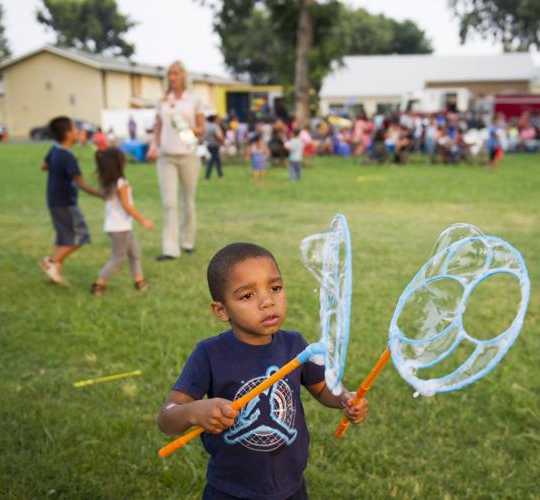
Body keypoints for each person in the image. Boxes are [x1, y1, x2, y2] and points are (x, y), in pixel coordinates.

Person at [157, 243, 368, 500]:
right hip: (229, 490)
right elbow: (166, 419)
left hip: (291, 487)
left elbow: (323, 389)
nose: (267, 302)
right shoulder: (209, 354)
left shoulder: (296, 345)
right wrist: (193, 412)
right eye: (247, 296)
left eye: (275, 288)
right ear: (221, 310)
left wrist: (345, 398)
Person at [147, 61, 205, 261]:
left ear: (183, 76)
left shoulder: (194, 99)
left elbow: (201, 129)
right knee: (169, 203)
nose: (172, 77)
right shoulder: (163, 100)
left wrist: (185, 126)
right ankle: (170, 249)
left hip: (188, 154)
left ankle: (187, 241)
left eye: (176, 73)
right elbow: (158, 125)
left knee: (187, 201)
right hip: (166, 156)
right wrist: (153, 145)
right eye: (170, 73)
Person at [38, 116, 102, 284]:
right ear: (67, 134)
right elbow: (81, 184)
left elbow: (43, 166)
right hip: (66, 202)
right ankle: (50, 262)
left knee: (63, 238)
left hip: (54, 200)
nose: (78, 132)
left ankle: (54, 274)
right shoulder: (67, 157)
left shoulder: (55, 149)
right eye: (74, 129)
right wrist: (101, 195)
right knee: (81, 236)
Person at [91, 147, 155, 296]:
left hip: (119, 226)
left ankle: (140, 282)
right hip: (120, 228)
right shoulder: (120, 183)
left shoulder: (109, 182)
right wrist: (144, 220)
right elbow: (127, 206)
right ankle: (99, 284)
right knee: (118, 259)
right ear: (119, 164)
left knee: (135, 253)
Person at [204, 115, 224, 180]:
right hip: (215, 145)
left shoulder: (207, 126)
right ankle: (208, 176)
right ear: (214, 119)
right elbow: (219, 136)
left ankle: (220, 175)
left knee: (216, 160)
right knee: (212, 161)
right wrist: (222, 141)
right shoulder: (215, 126)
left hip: (209, 144)